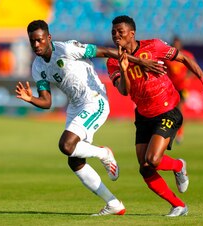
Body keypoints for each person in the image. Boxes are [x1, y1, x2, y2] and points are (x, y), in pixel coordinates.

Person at [15, 20, 164, 216]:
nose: (36, 45)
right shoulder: (37, 67)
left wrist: (140, 61)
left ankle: (103, 154)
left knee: (66, 145)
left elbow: (107, 52)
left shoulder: (67, 49)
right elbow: (47, 102)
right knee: (74, 161)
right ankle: (113, 204)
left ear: (48, 38)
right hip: (76, 107)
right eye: (32, 41)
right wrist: (30, 98)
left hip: (95, 100)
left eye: (39, 40)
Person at [106, 15, 203, 217]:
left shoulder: (154, 46)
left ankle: (178, 165)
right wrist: (124, 71)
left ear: (132, 33)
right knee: (145, 168)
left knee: (153, 159)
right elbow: (124, 91)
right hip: (143, 115)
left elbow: (184, 58)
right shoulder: (113, 61)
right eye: (113, 32)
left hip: (168, 110)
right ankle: (179, 205)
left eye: (120, 32)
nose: (116, 36)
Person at [165, 36, 195, 144]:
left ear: (180, 44)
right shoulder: (168, 56)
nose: (176, 45)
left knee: (180, 110)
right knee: (169, 111)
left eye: (178, 43)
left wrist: (187, 78)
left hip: (182, 88)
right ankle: (169, 132)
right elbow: (163, 68)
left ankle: (179, 133)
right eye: (174, 43)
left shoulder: (186, 55)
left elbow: (193, 68)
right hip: (170, 87)